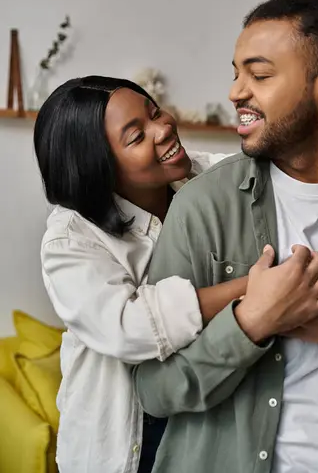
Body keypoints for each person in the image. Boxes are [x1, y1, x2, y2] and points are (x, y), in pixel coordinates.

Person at [134, 0, 318, 473]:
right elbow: (154, 391)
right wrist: (250, 324)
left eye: (258, 75)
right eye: (236, 74)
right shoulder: (202, 206)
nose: (237, 92)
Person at [34, 76, 251, 473]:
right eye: (136, 136)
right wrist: (251, 291)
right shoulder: (69, 239)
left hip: (199, 413)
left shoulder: (201, 178)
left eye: (154, 111)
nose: (164, 128)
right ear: (99, 169)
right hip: (123, 441)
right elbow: (128, 325)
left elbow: (278, 158)